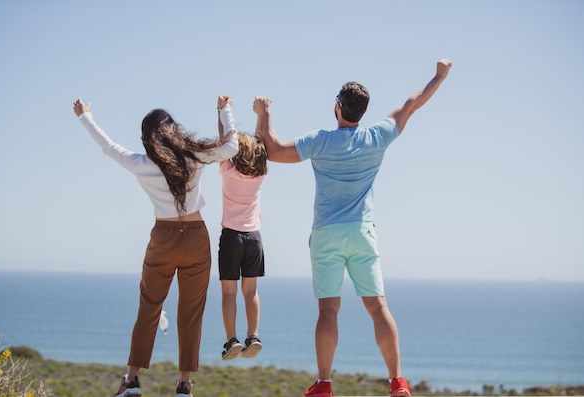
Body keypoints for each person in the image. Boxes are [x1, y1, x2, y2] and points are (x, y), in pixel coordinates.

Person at [253, 59, 453, 397]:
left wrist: (264, 112)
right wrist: (439, 76)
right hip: (362, 232)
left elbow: (272, 150)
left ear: (337, 107)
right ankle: (397, 381)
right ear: (362, 111)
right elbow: (413, 103)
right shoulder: (378, 136)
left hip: (327, 234)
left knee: (329, 309)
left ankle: (324, 384)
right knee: (378, 307)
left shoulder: (321, 141)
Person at [72, 95, 239, 397]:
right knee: (190, 312)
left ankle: (133, 381)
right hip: (195, 238)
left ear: (147, 139)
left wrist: (85, 116)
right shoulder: (194, 156)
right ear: (174, 131)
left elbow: (108, 147)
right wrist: (225, 110)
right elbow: (232, 146)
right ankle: (184, 385)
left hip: (163, 238)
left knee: (149, 307)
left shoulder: (141, 164)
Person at [216, 98, 268, 361]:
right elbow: (261, 143)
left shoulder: (228, 169)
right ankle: (254, 335)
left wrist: (223, 110)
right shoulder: (260, 174)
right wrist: (262, 113)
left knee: (229, 291)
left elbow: (225, 138)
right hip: (254, 238)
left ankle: (232, 340)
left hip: (232, 237)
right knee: (251, 291)